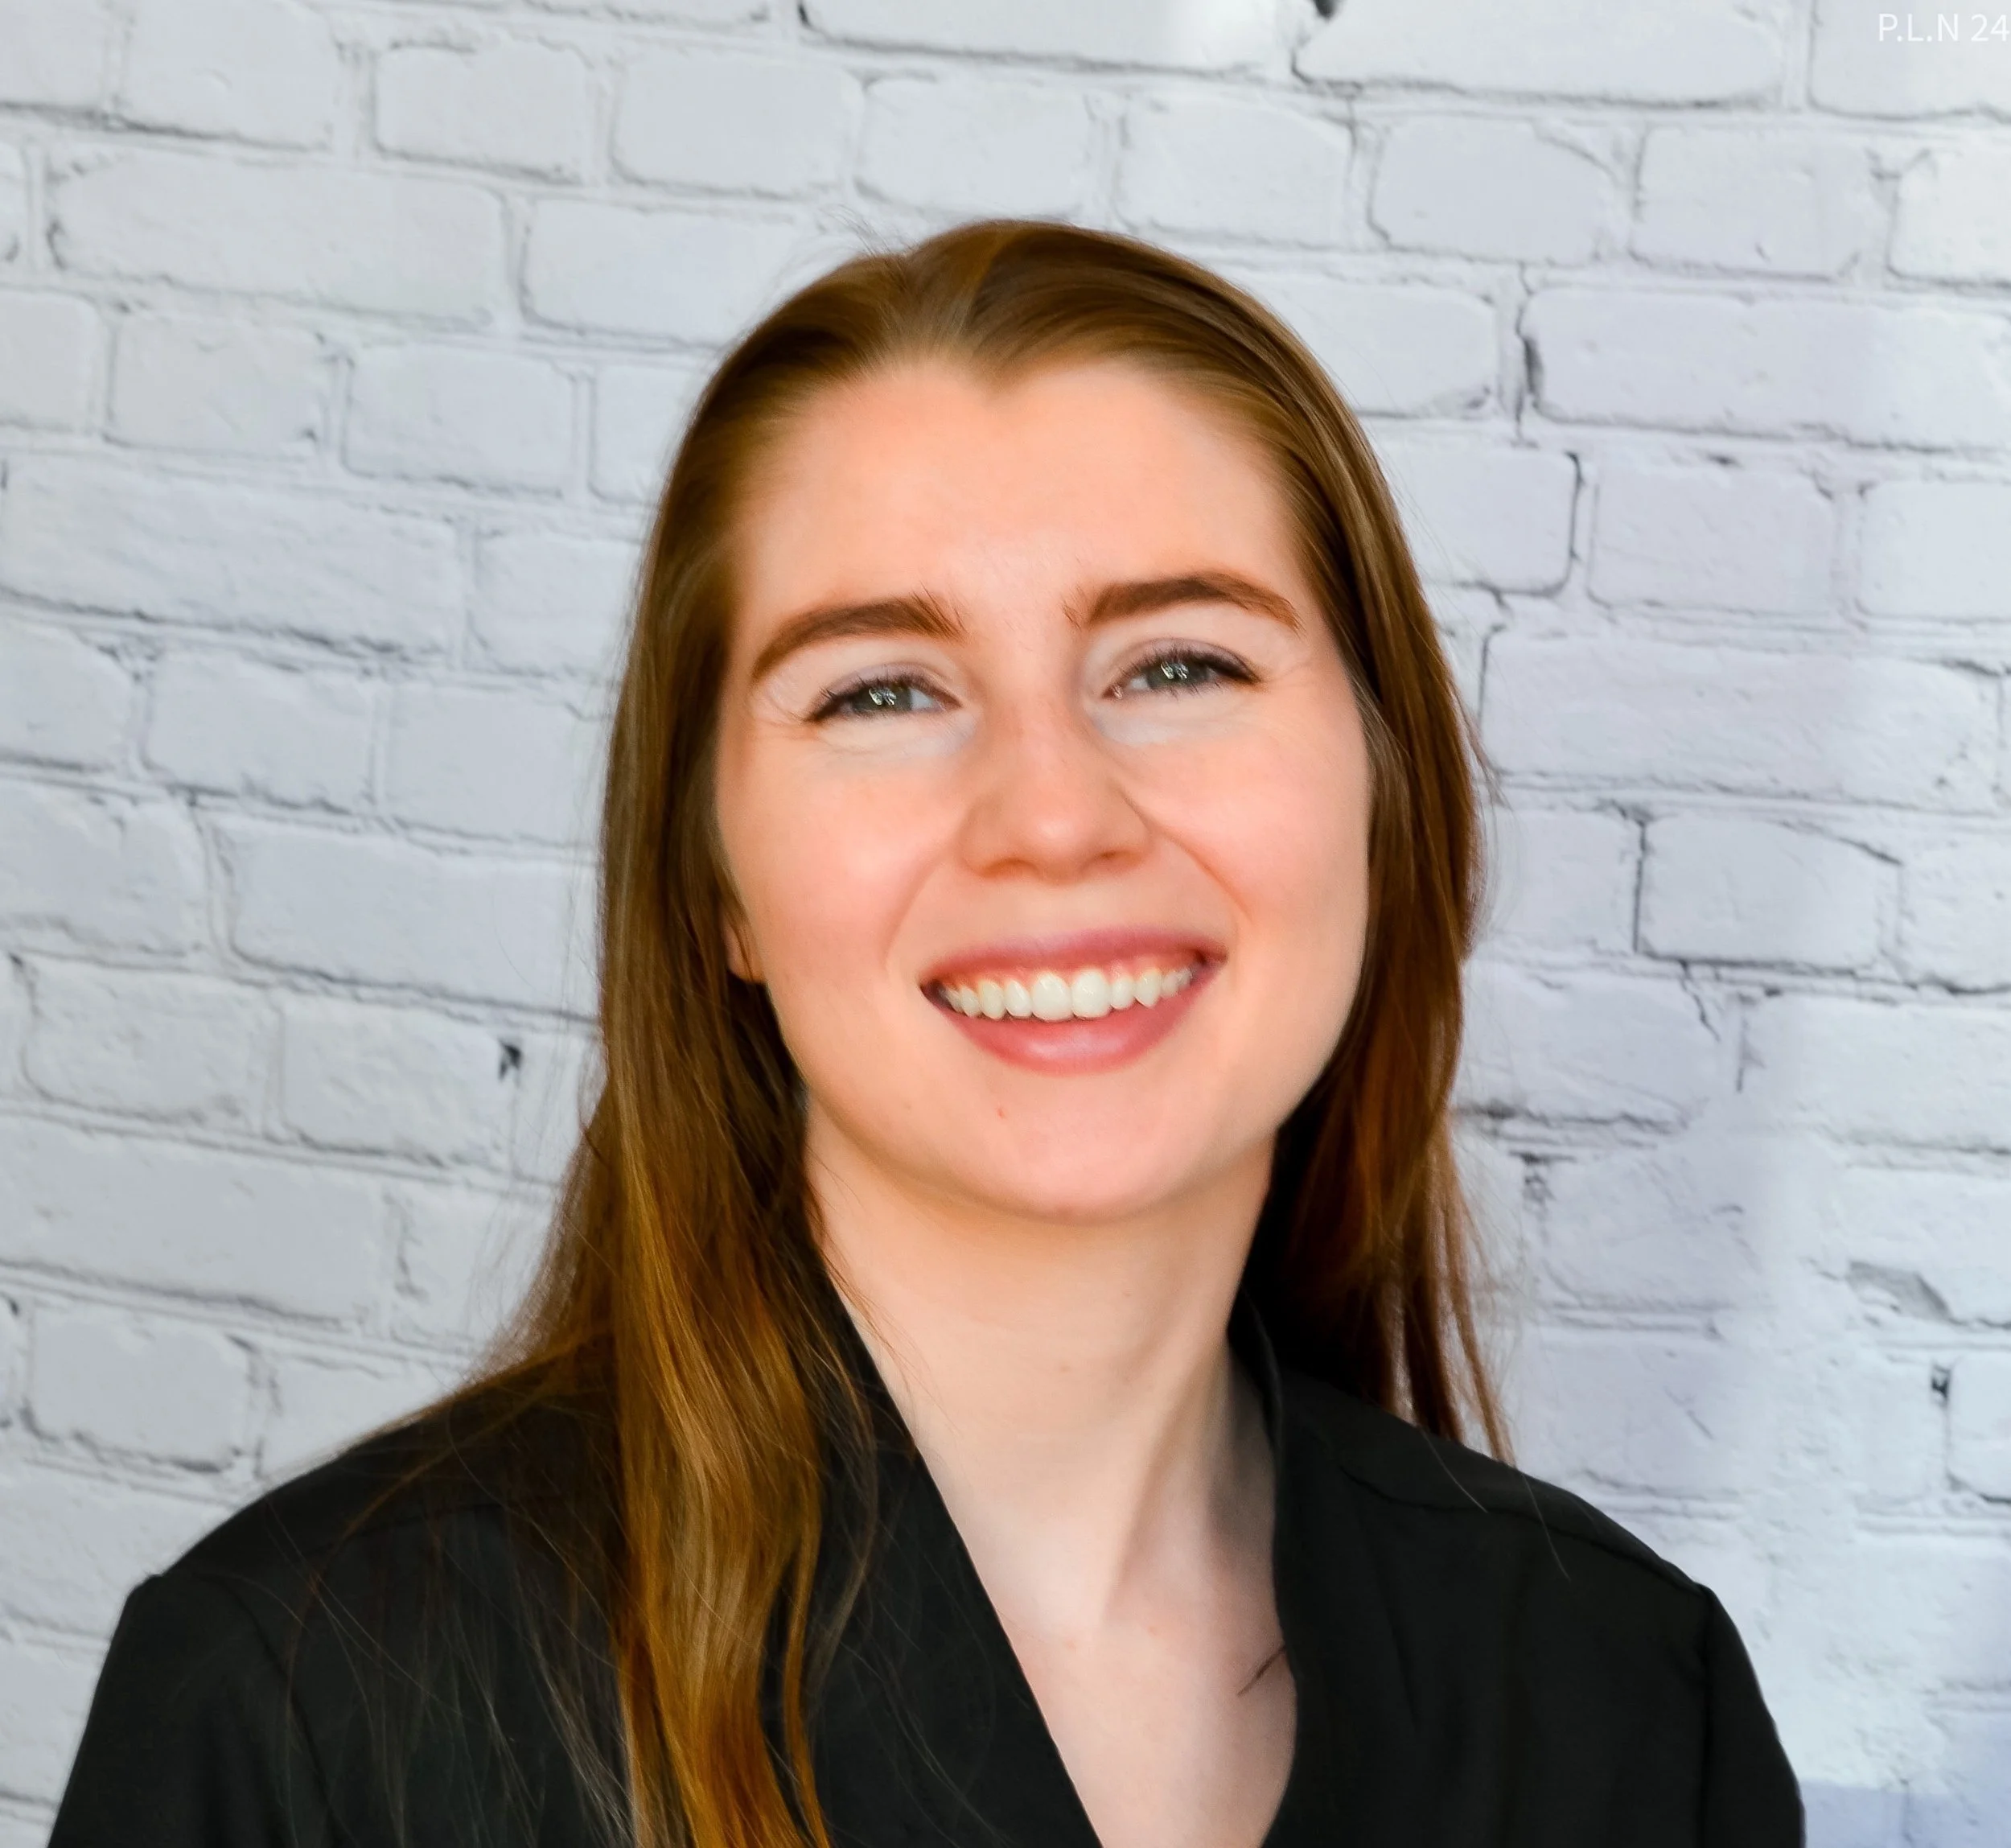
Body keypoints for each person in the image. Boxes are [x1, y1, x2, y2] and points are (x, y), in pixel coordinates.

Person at [48, 220, 1802, 1848]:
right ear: (717, 883)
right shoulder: (305, 1706)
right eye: (882, 690)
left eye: (1176, 665)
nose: (1051, 813)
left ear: (1380, 789)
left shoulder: (1626, 1704)